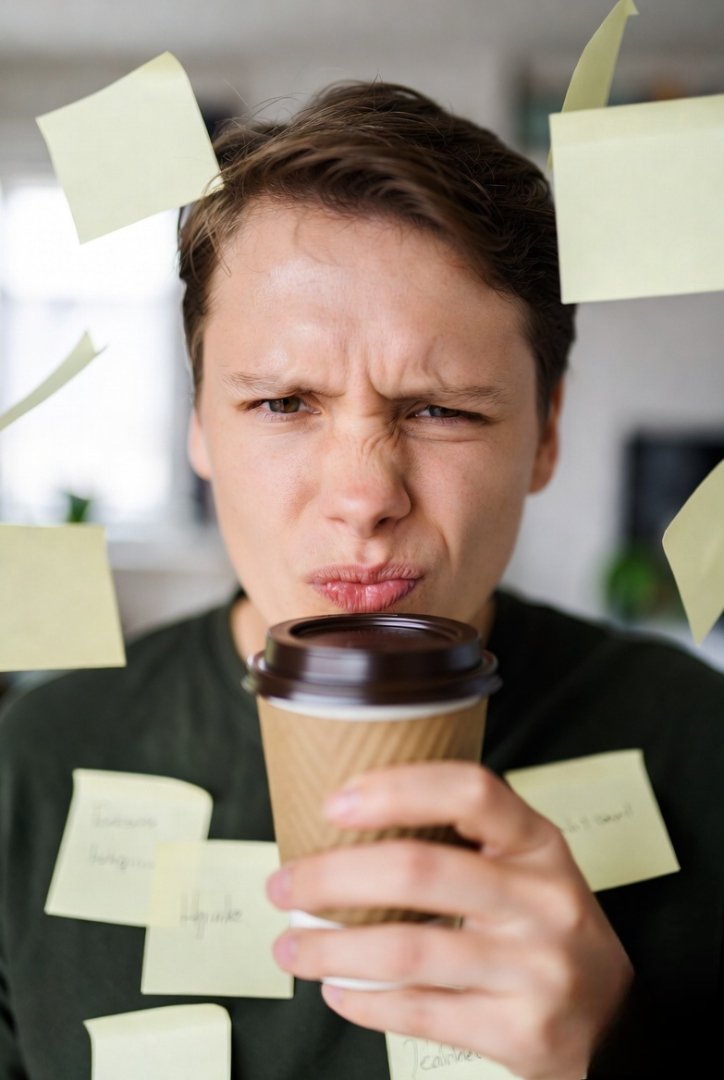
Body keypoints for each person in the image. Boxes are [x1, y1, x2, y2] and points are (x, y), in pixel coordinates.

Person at [0, 81, 722, 1080]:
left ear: (546, 434)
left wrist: (621, 1050)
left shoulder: (700, 740)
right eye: (284, 402)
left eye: (438, 411)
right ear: (199, 427)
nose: (362, 496)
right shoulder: (30, 765)